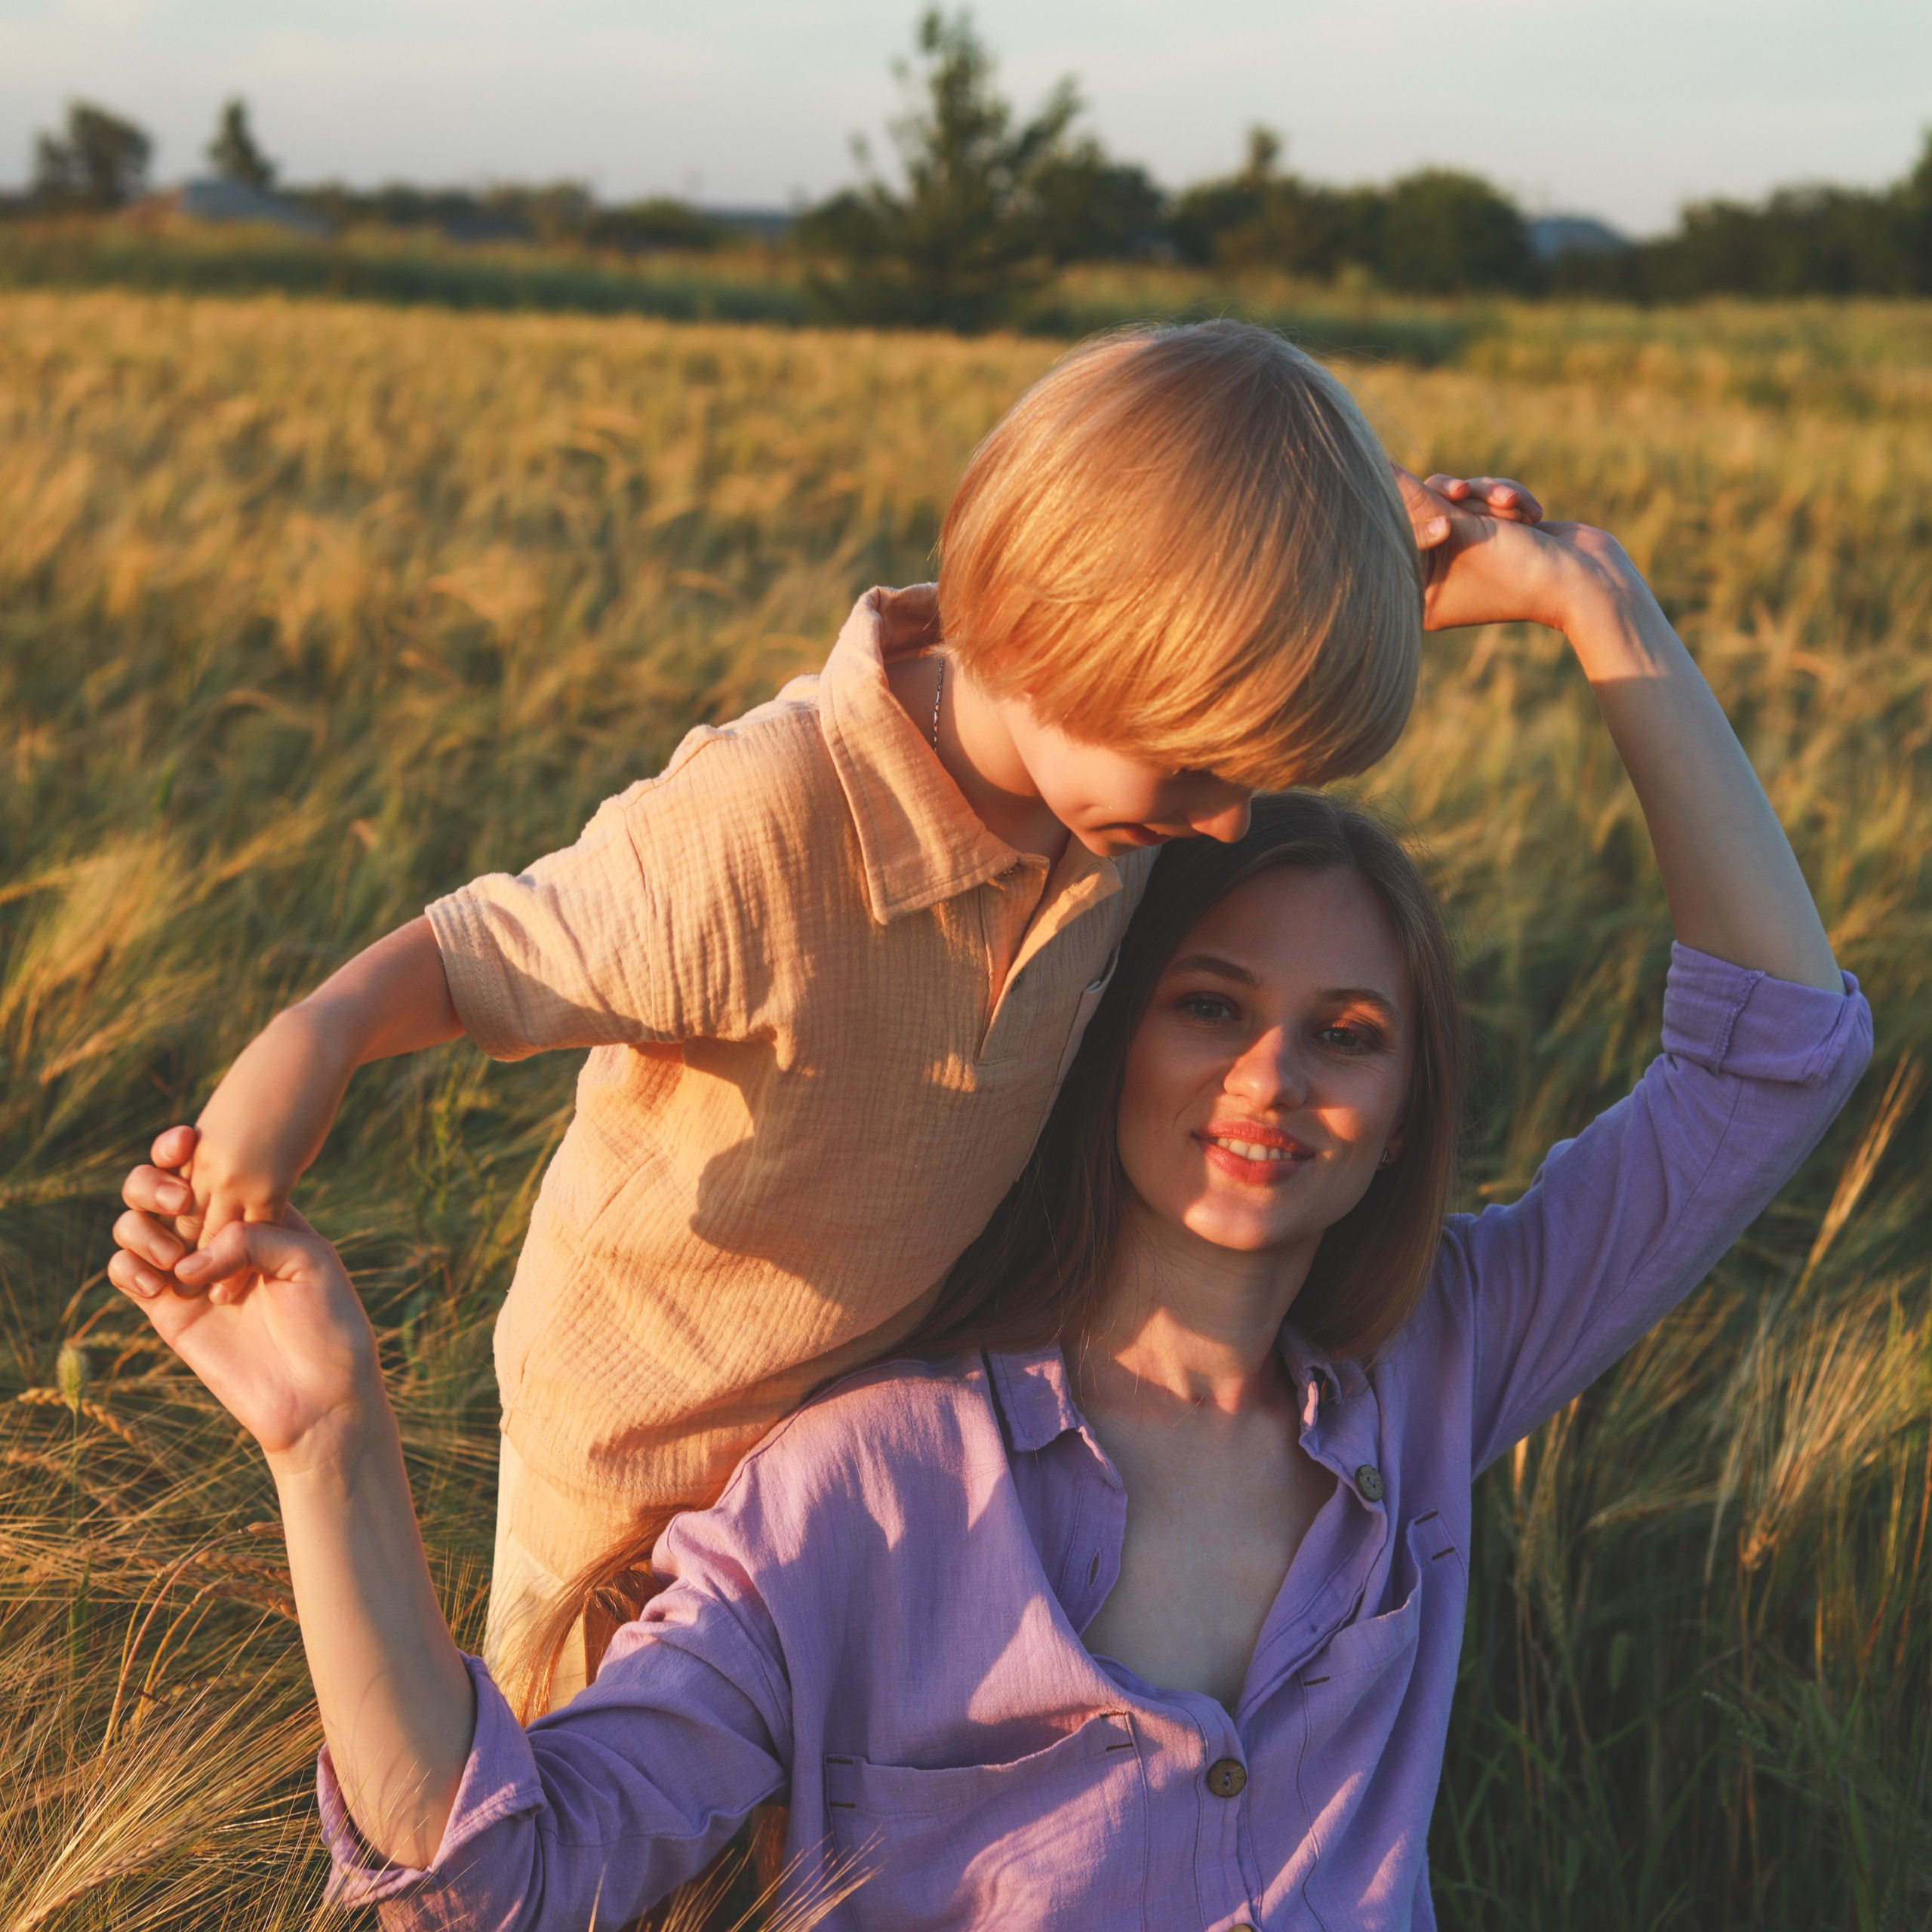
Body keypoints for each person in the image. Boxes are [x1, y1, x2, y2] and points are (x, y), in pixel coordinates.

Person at [109, 488, 1870, 1928]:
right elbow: (509, 1876)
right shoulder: (863, 1486)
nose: (1269, 1078)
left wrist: (1597, 609)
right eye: (1207, 1003)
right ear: (1098, 1033)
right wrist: (329, 1440)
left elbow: (1768, 1061)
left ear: (1408, 1099)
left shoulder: (1436, 1367)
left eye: (1347, 1034)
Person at [118, 321, 1534, 1706]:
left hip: (882, 1447)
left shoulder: (1111, 798)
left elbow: (1190, 579)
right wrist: (305, 1046)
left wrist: (1361, 537)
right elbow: (482, 947)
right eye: (1196, 771)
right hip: (639, 1460)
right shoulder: (770, 819)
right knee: (585, 1816)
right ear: (1066, 640)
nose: (1226, 824)